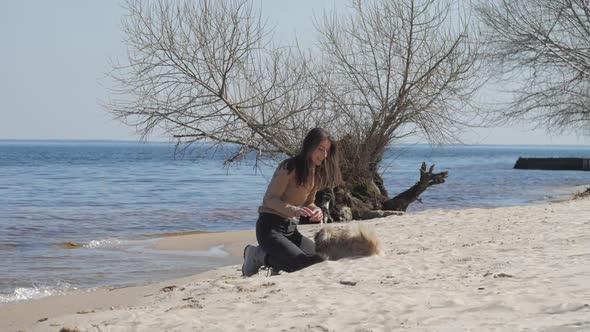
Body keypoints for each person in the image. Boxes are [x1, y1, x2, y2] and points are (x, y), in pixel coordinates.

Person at [242, 128, 342, 277]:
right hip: (269, 228)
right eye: (320, 149)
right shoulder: (289, 167)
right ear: (310, 145)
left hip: (290, 229)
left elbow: (309, 202)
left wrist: (317, 211)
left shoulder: (315, 172)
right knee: (302, 266)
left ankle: (279, 258)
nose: (324, 155)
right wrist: (294, 210)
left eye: (327, 151)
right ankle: (257, 255)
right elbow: (269, 200)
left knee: (323, 259)